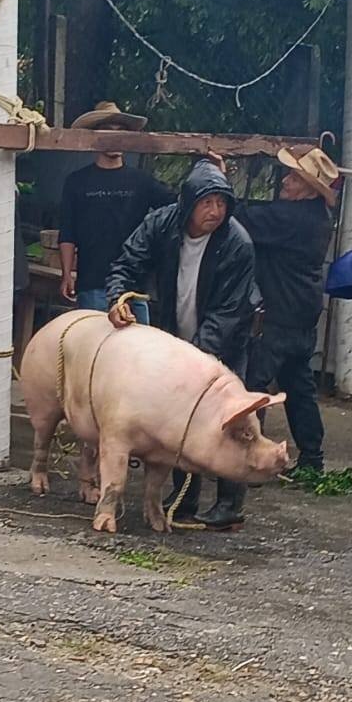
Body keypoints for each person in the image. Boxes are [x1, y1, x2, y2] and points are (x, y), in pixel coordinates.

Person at [104, 158, 256, 530]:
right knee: (180, 419)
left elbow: (229, 312)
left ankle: (229, 503)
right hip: (177, 334)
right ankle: (184, 497)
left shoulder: (237, 243)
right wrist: (118, 298)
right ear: (188, 203)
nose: (215, 212)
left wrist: (191, 358)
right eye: (207, 203)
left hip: (224, 345)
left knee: (233, 420)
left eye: (221, 203)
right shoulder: (161, 223)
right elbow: (128, 262)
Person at [238, 145, 339, 475]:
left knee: (255, 386)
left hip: (279, 313)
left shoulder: (290, 217)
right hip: (303, 312)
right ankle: (312, 458)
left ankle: (251, 457)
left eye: (294, 178)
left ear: (310, 189)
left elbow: (242, 217)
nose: (285, 181)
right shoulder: (316, 217)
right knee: (298, 385)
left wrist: (222, 183)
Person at [59, 101, 174, 323]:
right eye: (108, 132)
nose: (115, 138)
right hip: (93, 282)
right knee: (96, 350)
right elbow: (67, 231)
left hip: (134, 284)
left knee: (138, 350)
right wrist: (66, 274)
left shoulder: (142, 181)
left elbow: (178, 207)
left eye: (120, 132)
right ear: (96, 137)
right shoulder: (77, 182)